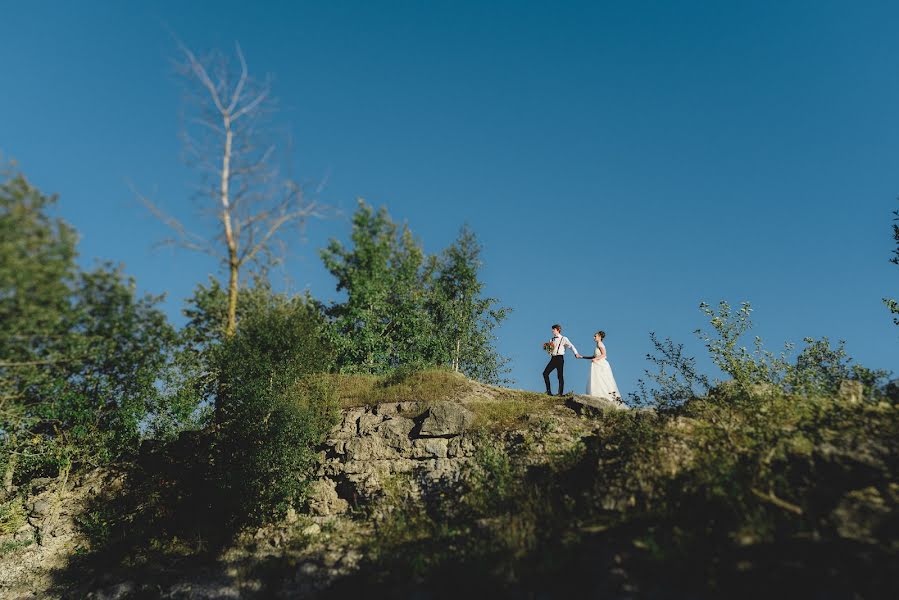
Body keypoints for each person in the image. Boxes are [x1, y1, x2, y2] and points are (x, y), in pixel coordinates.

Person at [584, 330, 624, 405]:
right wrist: (582, 357)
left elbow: (604, 354)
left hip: (601, 364)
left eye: (595, 336)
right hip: (597, 363)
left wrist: (595, 359)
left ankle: (607, 396)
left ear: (599, 337)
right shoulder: (597, 344)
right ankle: (598, 394)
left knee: (602, 380)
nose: (594, 337)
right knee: (597, 379)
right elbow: (594, 356)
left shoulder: (600, 344)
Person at [543, 324, 580, 396]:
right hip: (553, 358)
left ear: (557, 330)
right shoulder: (551, 339)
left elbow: (571, 346)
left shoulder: (564, 338)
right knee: (545, 373)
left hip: (560, 358)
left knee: (560, 376)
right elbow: (550, 351)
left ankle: (560, 393)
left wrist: (576, 353)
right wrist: (547, 349)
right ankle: (548, 391)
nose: (552, 331)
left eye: (553, 329)